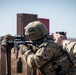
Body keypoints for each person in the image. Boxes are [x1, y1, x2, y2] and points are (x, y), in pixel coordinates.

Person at [1, 21, 76, 75]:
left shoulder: (49, 45)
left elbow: (34, 63)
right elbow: (35, 48)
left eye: (30, 35)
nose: (29, 37)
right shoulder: (47, 41)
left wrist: (24, 48)